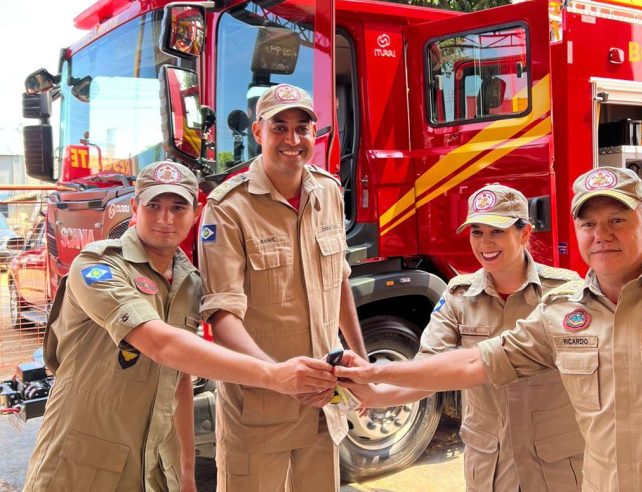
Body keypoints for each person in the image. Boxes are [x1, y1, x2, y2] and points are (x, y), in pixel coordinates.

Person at [337, 166, 642, 492]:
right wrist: (375, 374)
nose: (601, 235)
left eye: (617, 220)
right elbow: (472, 362)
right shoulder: (560, 314)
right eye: (589, 224)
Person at [24, 161, 338, 492]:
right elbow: (161, 344)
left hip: (153, 468)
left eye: (178, 207)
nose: (165, 219)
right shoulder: (97, 266)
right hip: (80, 466)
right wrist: (273, 376)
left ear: (195, 212)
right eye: (154, 206)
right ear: (135, 207)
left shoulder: (189, 283)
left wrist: (186, 471)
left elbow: (180, 380)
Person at [348, 184, 583, 491]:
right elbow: (427, 370)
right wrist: (376, 394)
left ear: (524, 234)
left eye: (497, 231)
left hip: (557, 467)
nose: (485, 242)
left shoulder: (562, 294)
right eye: (476, 231)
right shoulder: (459, 297)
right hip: (490, 467)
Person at [198, 83, 367, 491]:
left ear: (314, 134)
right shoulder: (227, 207)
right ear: (258, 133)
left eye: (302, 128)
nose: (292, 140)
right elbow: (222, 316)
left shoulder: (328, 190)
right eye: (279, 128)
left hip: (324, 404)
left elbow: (338, 278)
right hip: (259, 411)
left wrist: (363, 361)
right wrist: (277, 377)